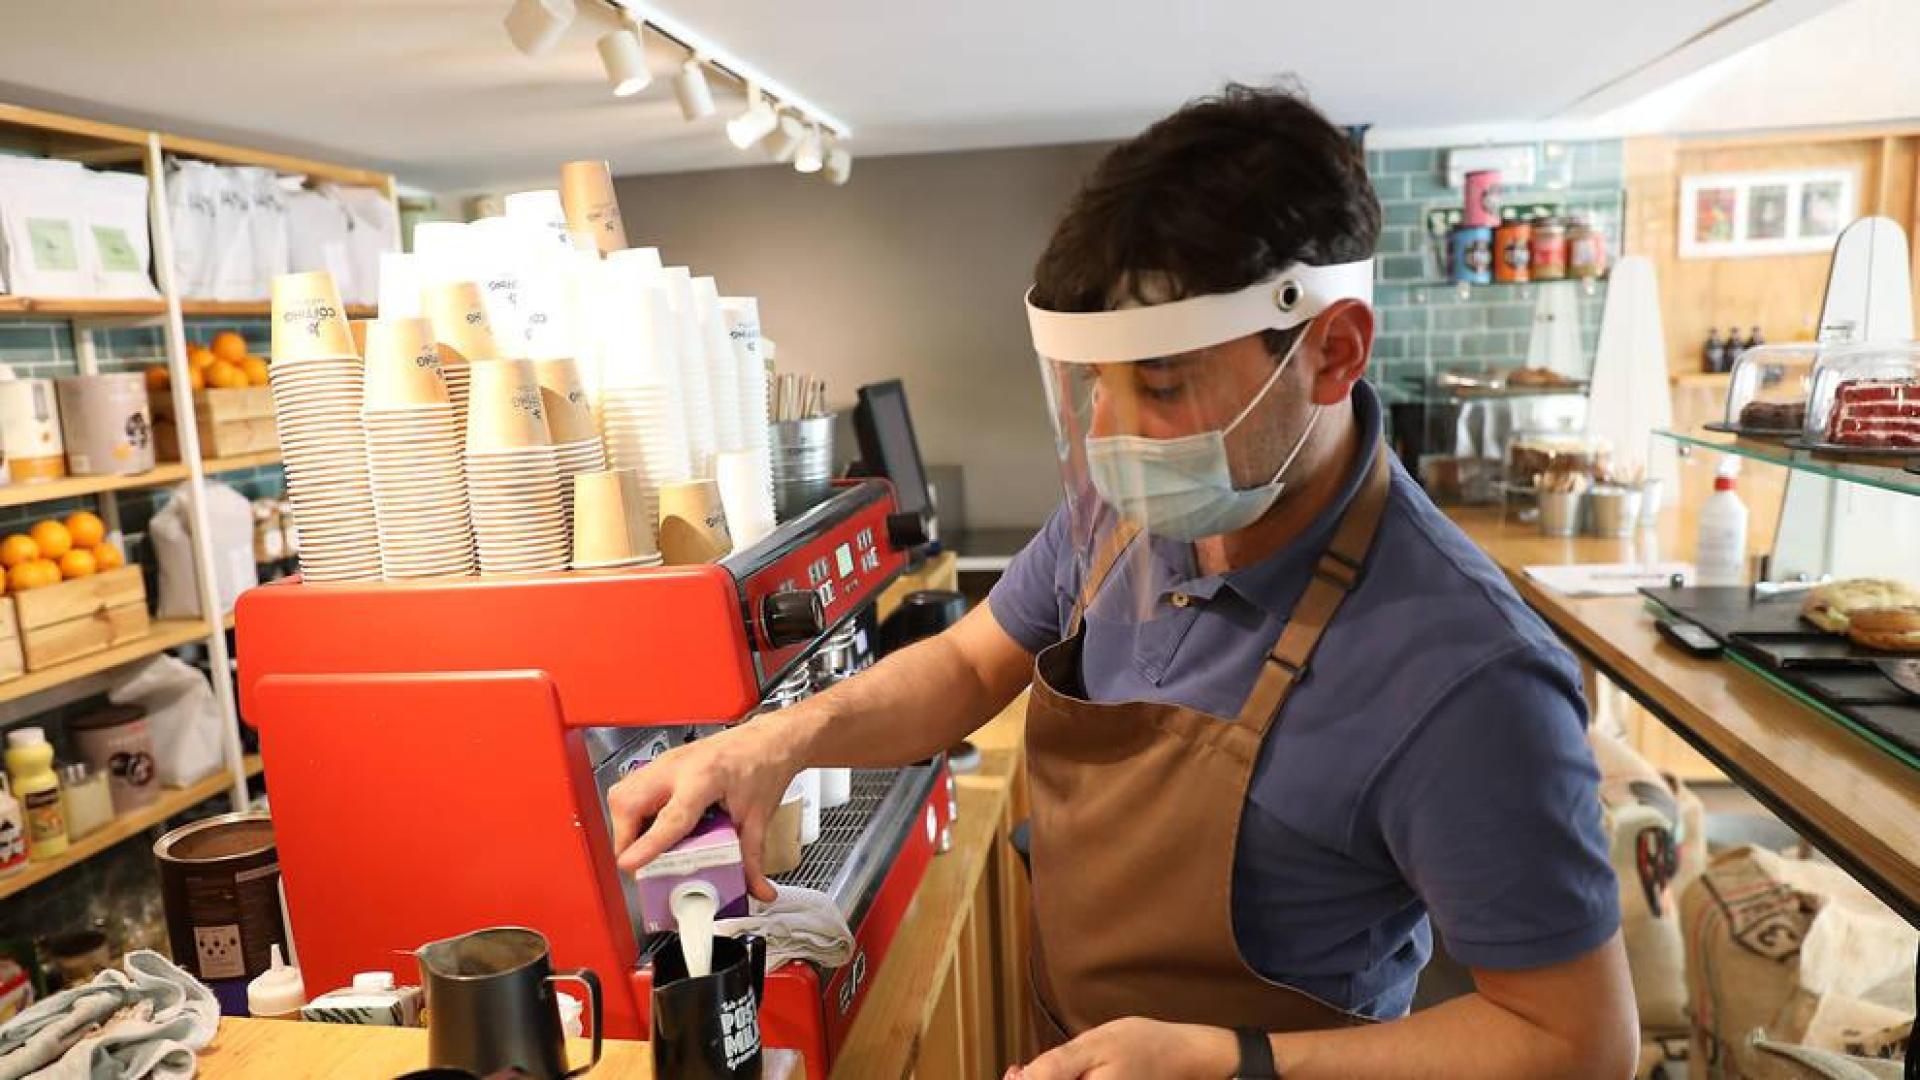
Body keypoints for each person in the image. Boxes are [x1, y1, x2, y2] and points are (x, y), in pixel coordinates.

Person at [609, 84, 1637, 1080]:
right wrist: (773, 746)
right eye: (1093, 386)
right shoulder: (1131, 513)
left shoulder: (1468, 677)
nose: (1110, 438)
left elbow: (1574, 1042)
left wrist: (1231, 1063)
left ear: (1332, 352)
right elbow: (972, 664)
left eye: (1160, 385)